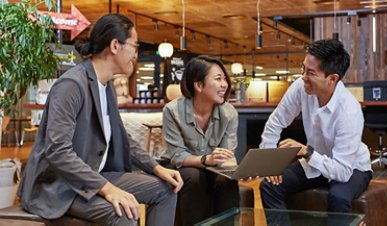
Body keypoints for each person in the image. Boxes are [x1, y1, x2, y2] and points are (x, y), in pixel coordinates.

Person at [17, 14, 183, 226]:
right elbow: (58, 151)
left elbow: (122, 138)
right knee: (124, 212)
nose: (136, 54)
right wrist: (108, 189)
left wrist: (156, 168)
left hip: (94, 176)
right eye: (135, 45)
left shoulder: (106, 86)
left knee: (167, 189)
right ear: (115, 46)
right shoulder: (71, 85)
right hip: (60, 186)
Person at [259, 39, 372, 213]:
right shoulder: (301, 87)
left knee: (338, 198)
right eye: (303, 68)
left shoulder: (349, 110)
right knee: (269, 186)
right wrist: (269, 163)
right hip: (316, 161)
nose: (303, 77)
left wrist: (307, 152)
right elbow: (275, 123)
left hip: (350, 166)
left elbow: (342, 171)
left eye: (310, 72)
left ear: (332, 78)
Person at [162, 55, 240, 226]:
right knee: (193, 176)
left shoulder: (229, 113)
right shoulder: (172, 111)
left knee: (227, 180)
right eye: (218, 79)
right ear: (198, 85)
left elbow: (227, 155)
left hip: (214, 167)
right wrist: (205, 160)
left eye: (225, 79)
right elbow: (176, 155)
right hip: (180, 167)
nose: (225, 84)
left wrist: (239, 171)